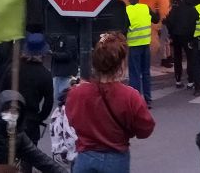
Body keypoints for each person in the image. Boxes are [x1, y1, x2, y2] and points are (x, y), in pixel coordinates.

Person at [66, 32, 155, 172]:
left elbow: (72, 120)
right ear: (121, 65)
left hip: (85, 158)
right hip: (115, 160)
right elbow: (145, 129)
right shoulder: (130, 96)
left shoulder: (76, 93)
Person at [0, 33, 54, 152]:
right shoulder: (45, 75)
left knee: (6, 155)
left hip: (10, 118)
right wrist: (40, 117)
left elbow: (1, 92)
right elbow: (48, 103)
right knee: (28, 157)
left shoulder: (12, 69)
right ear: (43, 53)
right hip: (31, 122)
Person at [124, 0, 160, 107]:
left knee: (134, 73)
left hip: (134, 46)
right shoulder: (146, 8)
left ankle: (136, 101)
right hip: (145, 44)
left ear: (129, 0)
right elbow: (156, 20)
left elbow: (123, 27)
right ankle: (148, 99)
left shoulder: (127, 10)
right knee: (146, 72)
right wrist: (157, 9)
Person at [165, 0, 199, 89]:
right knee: (190, 58)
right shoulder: (191, 9)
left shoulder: (174, 8)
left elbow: (169, 22)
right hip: (188, 37)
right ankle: (190, 81)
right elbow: (196, 21)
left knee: (177, 58)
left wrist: (172, 33)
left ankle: (178, 81)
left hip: (176, 37)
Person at [49, 84, 78, 169]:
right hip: (72, 152)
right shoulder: (66, 111)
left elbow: (54, 130)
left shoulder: (59, 111)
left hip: (64, 150)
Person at [49, 33, 78, 102]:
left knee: (65, 100)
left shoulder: (70, 38)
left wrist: (53, 54)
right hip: (57, 73)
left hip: (66, 74)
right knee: (57, 98)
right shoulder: (56, 37)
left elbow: (68, 55)